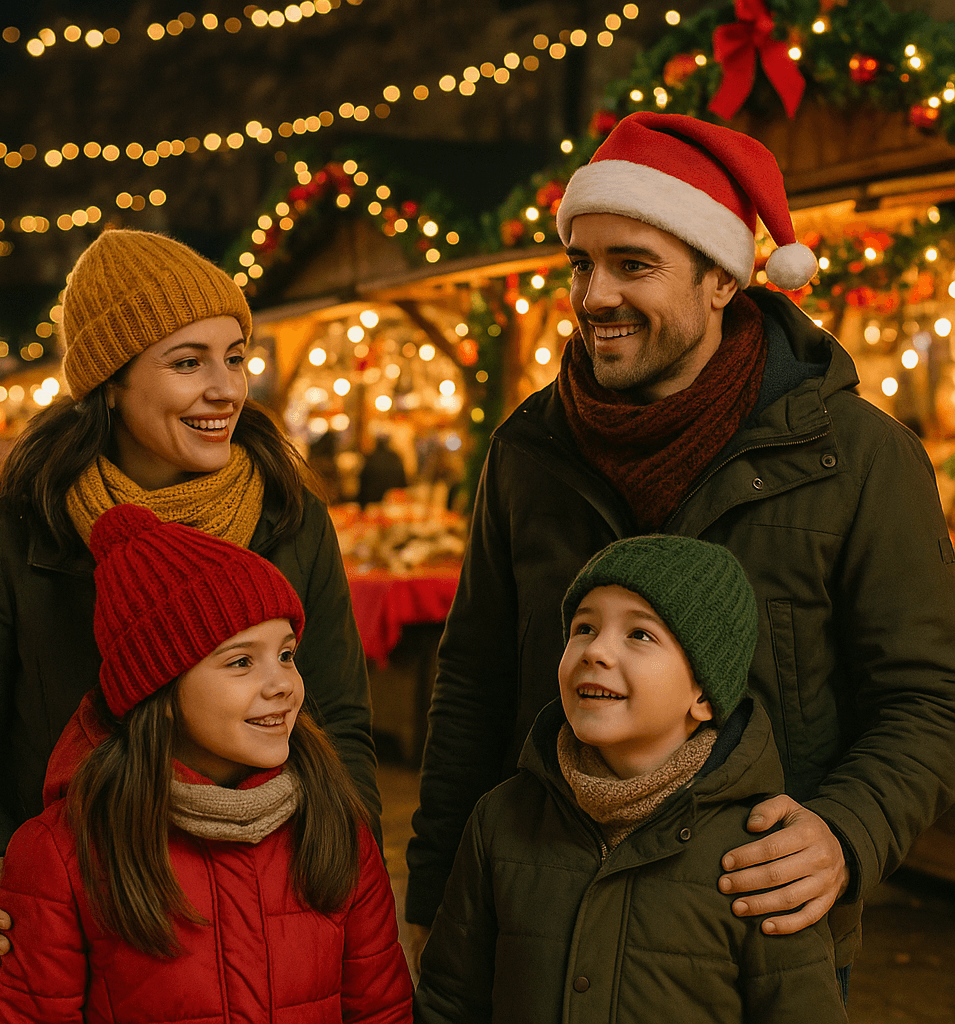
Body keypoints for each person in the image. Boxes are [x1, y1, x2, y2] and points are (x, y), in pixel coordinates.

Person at [406, 112, 955, 990]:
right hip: (536, 933)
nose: (593, 296)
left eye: (634, 264)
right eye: (582, 263)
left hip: (754, 935)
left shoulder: (856, 458)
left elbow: (929, 694)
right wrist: (434, 899)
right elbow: (472, 688)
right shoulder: (529, 452)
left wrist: (846, 832)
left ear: (721, 281)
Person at [0, 229, 379, 1024]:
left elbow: (338, 720)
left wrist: (343, 880)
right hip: (65, 943)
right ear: (108, 381)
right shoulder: (6, 540)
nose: (225, 389)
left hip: (268, 941)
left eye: (235, 356)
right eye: (186, 362)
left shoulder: (289, 521)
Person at [0, 503, 412, 1023]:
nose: (283, 685)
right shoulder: (64, 855)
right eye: (241, 661)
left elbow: (382, 1011)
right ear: (159, 687)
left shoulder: (335, 822)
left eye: (286, 654)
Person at [415, 535, 846, 1023]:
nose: (596, 651)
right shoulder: (501, 820)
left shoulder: (762, 857)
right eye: (583, 628)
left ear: (705, 694)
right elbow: (449, 1000)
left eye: (639, 634)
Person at [358, 433, 408, 508]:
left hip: (372, 504)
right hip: (393, 505)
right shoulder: (395, 457)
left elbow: (362, 483)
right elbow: (403, 483)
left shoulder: (370, 458)